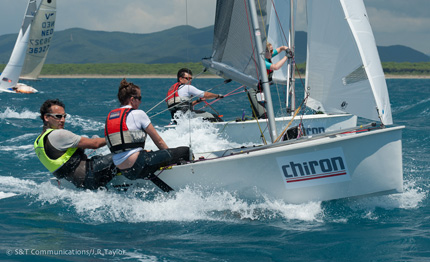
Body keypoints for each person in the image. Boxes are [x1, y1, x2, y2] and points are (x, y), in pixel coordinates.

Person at [105, 79, 191, 191]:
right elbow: (158, 141)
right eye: (139, 98)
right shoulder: (139, 114)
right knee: (185, 151)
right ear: (132, 99)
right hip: (138, 165)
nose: (140, 102)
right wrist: (170, 156)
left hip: (123, 169)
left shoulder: (110, 116)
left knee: (148, 156)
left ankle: (166, 189)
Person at [34, 99, 117, 189]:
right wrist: (118, 137)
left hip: (75, 182)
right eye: (58, 116)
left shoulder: (38, 142)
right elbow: (95, 144)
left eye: (64, 116)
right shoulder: (59, 134)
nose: (62, 120)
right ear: (46, 117)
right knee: (125, 155)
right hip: (91, 176)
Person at [247, 42, 293, 119]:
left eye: (272, 50)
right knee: (264, 115)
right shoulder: (262, 61)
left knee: (259, 116)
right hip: (254, 93)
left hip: (261, 92)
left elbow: (281, 48)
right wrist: (286, 57)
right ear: (264, 52)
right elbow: (275, 67)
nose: (272, 52)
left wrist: (286, 49)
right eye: (271, 51)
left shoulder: (268, 56)